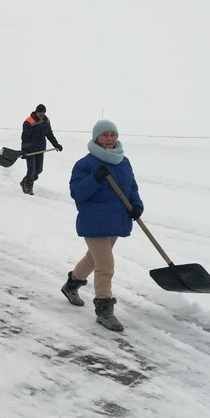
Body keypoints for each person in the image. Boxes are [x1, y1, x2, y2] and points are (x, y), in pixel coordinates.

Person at [60, 119, 144, 332]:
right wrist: (94, 179)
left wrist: (136, 205)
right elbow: (77, 193)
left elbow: (131, 187)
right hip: (94, 220)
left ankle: (71, 285)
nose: (109, 139)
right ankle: (104, 310)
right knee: (105, 265)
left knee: (93, 258)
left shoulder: (123, 162)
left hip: (116, 219)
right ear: (96, 137)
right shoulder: (85, 164)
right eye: (105, 135)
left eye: (112, 135)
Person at [20, 104, 62, 195]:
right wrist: (24, 150)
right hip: (30, 150)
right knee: (31, 170)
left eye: (43, 112)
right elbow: (24, 137)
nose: (42, 114)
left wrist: (56, 144)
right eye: (40, 112)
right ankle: (28, 188)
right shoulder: (29, 122)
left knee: (39, 170)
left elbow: (49, 134)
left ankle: (25, 181)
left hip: (40, 149)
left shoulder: (46, 121)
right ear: (36, 112)